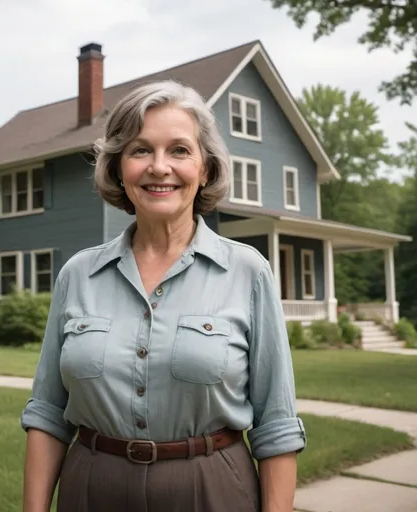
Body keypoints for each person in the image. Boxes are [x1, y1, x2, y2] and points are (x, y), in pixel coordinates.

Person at [21, 80, 306, 512]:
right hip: (90, 490)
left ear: (205, 168)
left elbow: (277, 426)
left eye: (179, 150)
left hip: (212, 491)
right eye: (140, 150)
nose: (159, 167)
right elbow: (46, 413)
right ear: (118, 167)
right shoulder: (77, 274)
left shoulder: (248, 272)